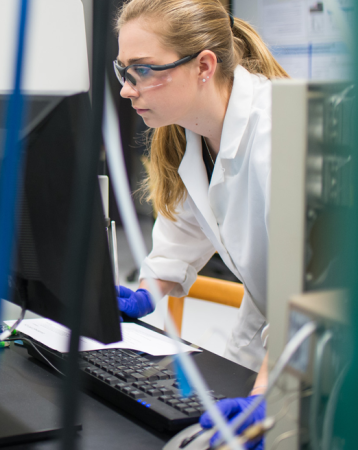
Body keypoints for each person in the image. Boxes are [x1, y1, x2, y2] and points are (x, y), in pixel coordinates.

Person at [113, 0, 289, 448]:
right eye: (123, 71)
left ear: (204, 66)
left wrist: (275, 396)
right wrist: (146, 292)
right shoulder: (192, 133)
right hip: (269, 344)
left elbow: (319, 292)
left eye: (143, 70)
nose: (127, 90)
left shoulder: (279, 136)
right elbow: (187, 228)